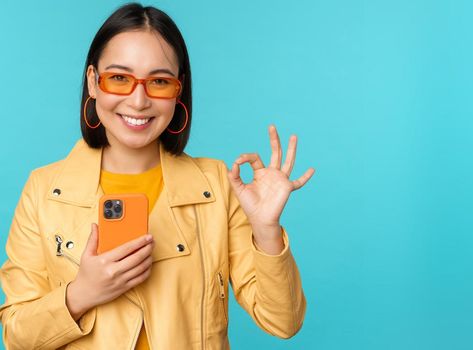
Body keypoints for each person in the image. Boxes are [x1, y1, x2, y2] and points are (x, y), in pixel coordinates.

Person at [0, 3, 314, 349]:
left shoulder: (217, 187)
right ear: (93, 82)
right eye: (119, 78)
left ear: (178, 89)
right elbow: (16, 336)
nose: (138, 101)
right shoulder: (44, 190)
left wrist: (267, 232)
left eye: (159, 82)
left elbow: (283, 322)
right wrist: (80, 294)